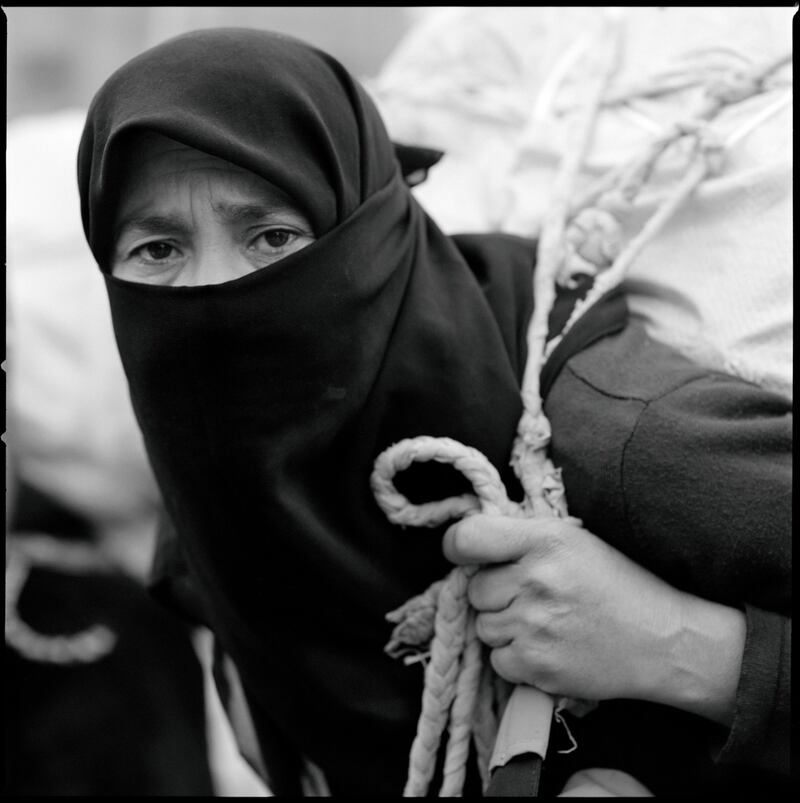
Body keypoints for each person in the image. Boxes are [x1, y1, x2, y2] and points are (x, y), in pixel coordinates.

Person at [75, 28, 790, 796]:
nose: (210, 294)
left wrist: (684, 650)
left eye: (273, 236)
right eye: (157, 249)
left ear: (367, 240)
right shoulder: (207, 493)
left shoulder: (613, 430)